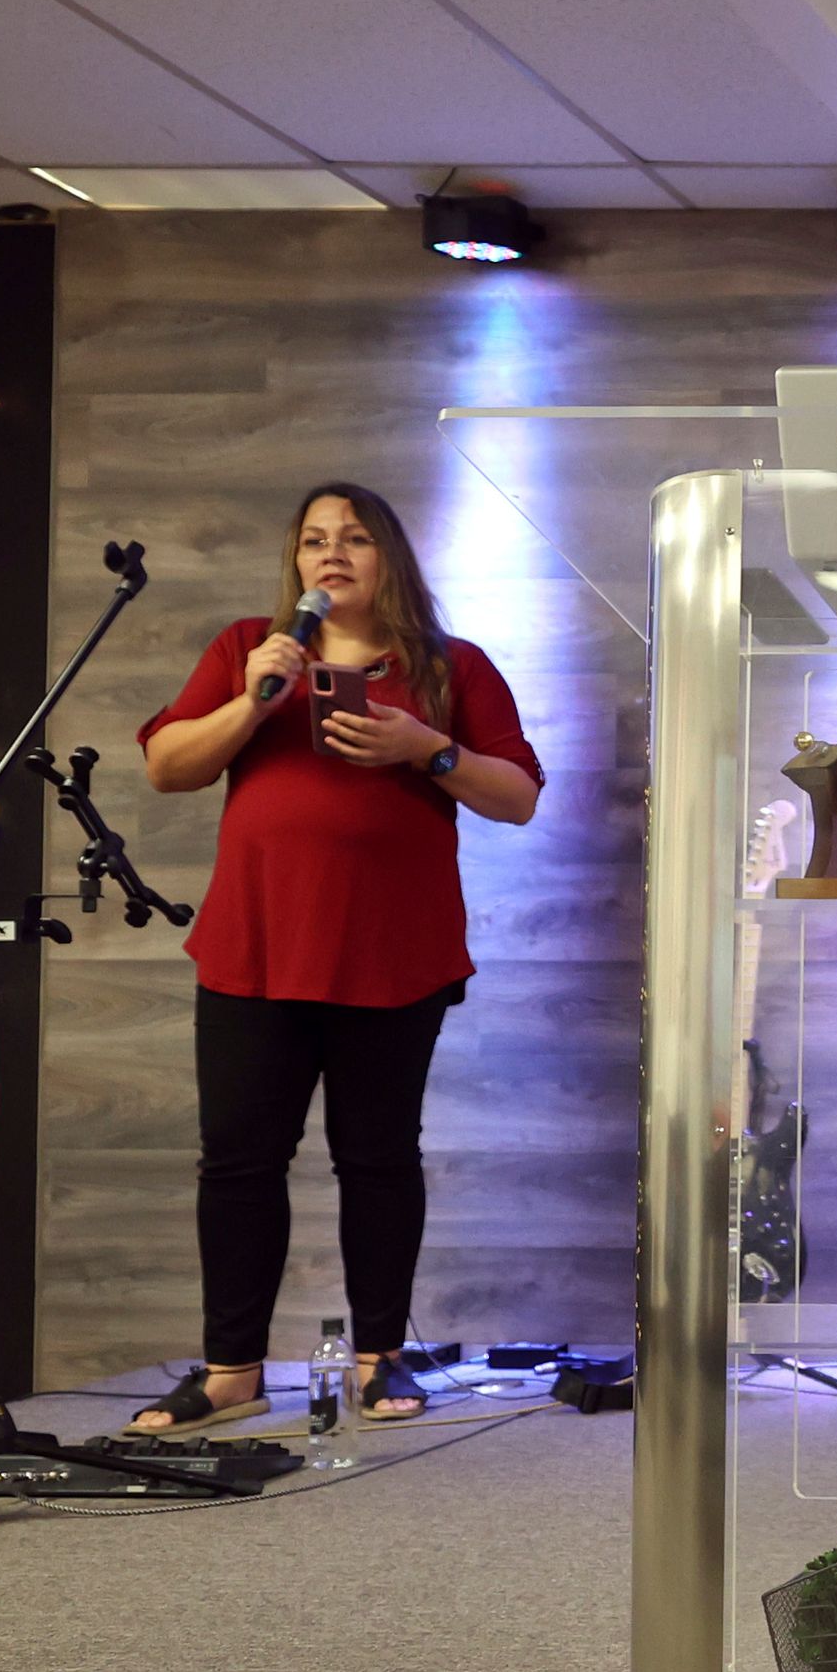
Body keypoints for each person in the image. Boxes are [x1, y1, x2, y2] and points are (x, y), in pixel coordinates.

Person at [126, 483, 543, 1438]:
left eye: (354, 537)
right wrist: (250, 702)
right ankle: (231, 1371)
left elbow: (517, 795)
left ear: (389, 555)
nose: (332, 554)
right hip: (256, 948)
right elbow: (168, 766)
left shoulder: (448, 667)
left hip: (392, 953)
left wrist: (424, 748)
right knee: (236, 1163)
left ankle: (379, 1355)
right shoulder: (248, 649)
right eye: (314, 540)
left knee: (381, 1160)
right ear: (296, 561)